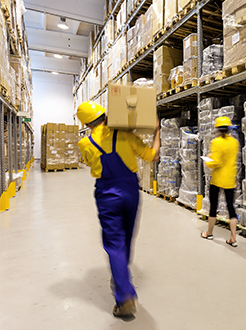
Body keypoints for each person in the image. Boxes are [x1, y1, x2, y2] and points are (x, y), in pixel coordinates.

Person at [76, 101, 160, 317]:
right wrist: (157, 131)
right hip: (130, 190)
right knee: (127, 238)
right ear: (105, 116)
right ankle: (120, 276)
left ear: (86, 123)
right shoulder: (124, 135)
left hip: (107, 193)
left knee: (115, 244)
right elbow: (152, 156)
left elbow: (88, 162)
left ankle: (124, 298)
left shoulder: (84, 143)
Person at [201, 116, 240, 247]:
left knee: (213, 206)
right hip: (230, 179)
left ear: (217, 129)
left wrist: (208, 159)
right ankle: (233, 238)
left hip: (217, 179)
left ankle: (209, 233)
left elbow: (216, 162)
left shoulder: (216, 142)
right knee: (231, 207)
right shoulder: (234, 142)